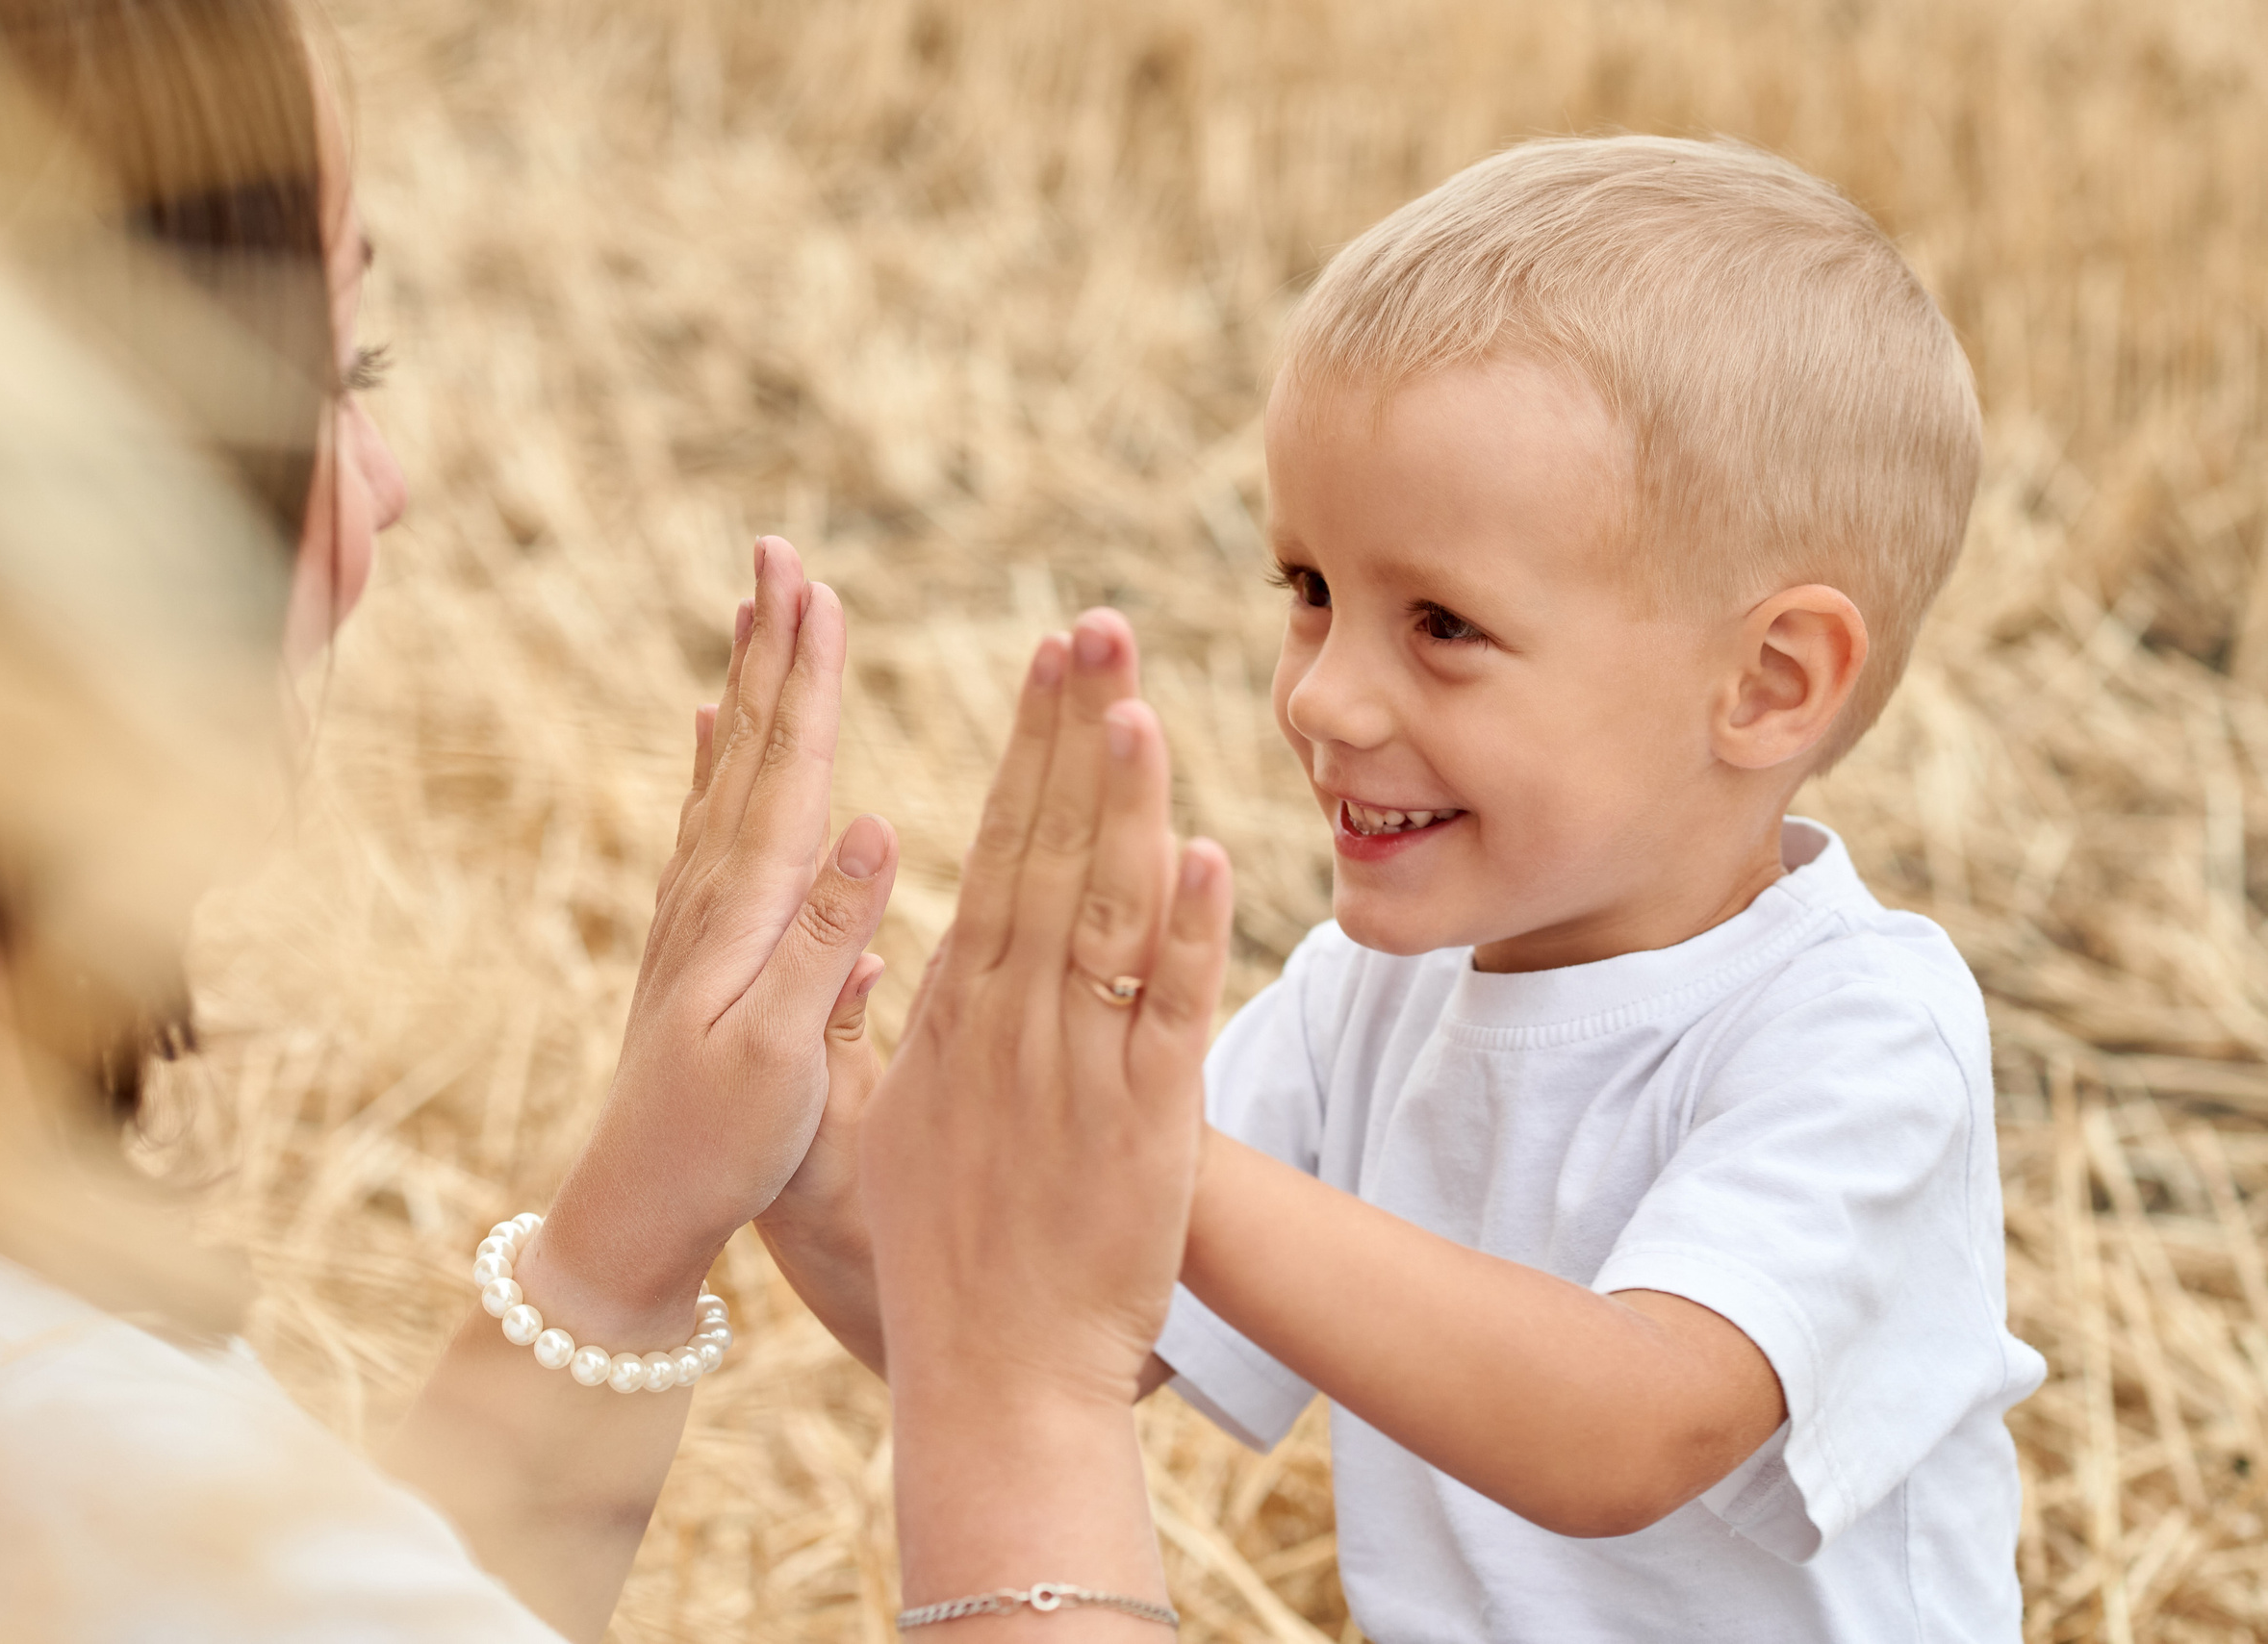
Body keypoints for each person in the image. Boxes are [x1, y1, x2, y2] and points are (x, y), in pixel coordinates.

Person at [0, 1, 1225, 1637]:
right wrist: (1019, 1383)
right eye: (327, 372)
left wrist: (636, 1228)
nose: (385, 479)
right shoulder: (38, 1468)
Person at [765, 137, 2051, 1640]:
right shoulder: (1362, 997)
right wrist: (811, 1156)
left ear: (1768, 682)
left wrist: (1150, 1158)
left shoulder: (1860, 1028)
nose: (1321, 695)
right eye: (1311, 590)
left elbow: (1627, 1427)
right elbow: (1026, 1324)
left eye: (1442, 622)